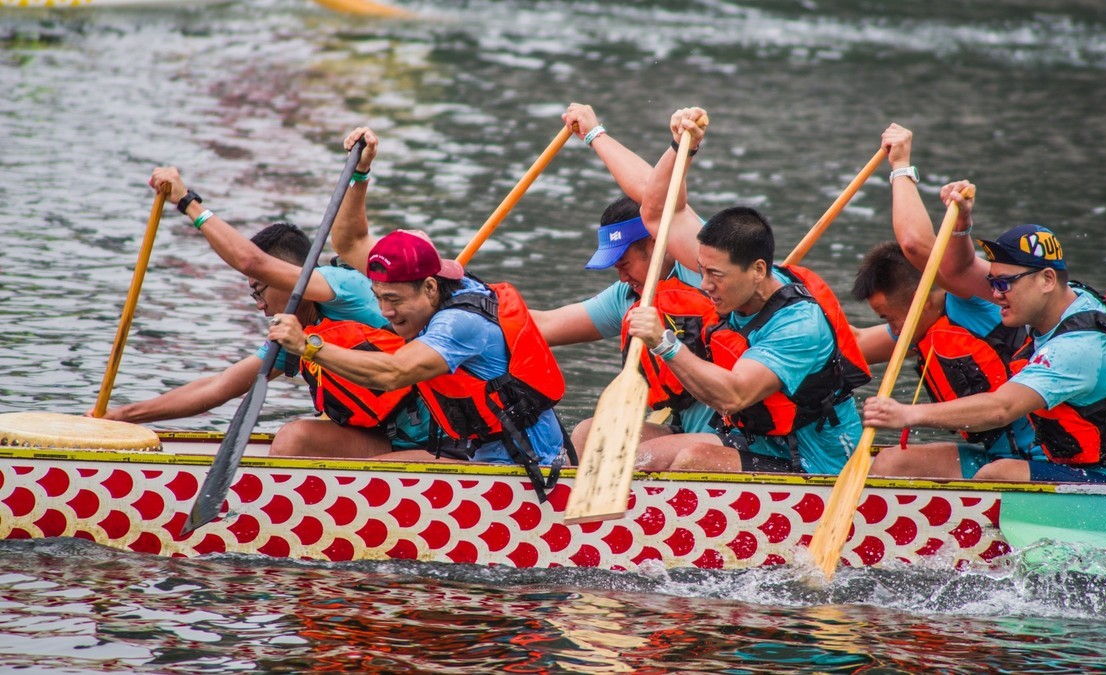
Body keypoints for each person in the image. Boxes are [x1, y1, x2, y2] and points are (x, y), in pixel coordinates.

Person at [268, 127, 569, 501]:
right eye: (378, 297)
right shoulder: (427, 280)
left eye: (394, 299)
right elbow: (350, 243)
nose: (385, 312)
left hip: (525, 472)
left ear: (429, 287)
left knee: (370, 484)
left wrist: (308, 346)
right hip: (480, 455)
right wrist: (361, 173)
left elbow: (395, 372)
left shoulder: (460, 323)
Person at [863, 181, 1106, 500]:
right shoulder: (1055, 299)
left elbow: (1002, 408)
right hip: (1046, 458)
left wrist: (908, 415)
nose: (993, 294)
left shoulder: (1078, 348)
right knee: (894, 463)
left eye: (1005, 284)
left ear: (1046, 280)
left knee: (996, 477)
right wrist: (962, 223)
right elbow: (960, 271)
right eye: (993, 282)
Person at [97, 166, 428, 457]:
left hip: (437, 442)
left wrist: (188, 202)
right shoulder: (295, 337)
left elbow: (251, 261)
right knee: (298, 439)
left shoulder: (343, 286)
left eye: (260, 288)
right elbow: (216, 388)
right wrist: (121, 416)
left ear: (283, 275)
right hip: (391, 437)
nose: (258, 303)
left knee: (293, 439)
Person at [626, 107, 869, 474]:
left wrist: (664, 342)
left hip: (815, 459)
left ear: (758, 271)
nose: (705, 285)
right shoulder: (728, 267)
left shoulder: (798, 326)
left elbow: (734, 394)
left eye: (715, 276)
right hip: (752, 440)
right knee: (618, 442)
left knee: (694, 460)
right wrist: (680, 148)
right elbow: (658, 213)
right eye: (702, 271)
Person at [851, 124, 1041, 480]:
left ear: (923, 298)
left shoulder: (984, 302)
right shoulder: (917, 325)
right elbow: (854, 344)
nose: (893, 330)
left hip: (1047, 457)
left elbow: (915, 246)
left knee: (996, 473)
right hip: (995, 454)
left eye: (891, 318)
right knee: (890, 463)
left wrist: (901, 166)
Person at [530, 103, 719, 449]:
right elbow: (540, 326)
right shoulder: (630, 297)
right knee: (590, 434)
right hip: (686, 432)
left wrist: (593, 134)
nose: (620, 278)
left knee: (660, 454)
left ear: (654, 241)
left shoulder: (704, 269)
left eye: (624, 263)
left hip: (737, 438)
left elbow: (658, 201)